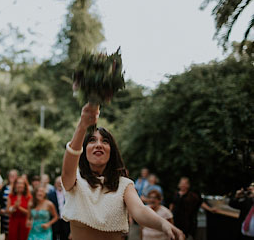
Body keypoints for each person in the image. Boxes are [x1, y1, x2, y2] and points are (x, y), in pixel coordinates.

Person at [59, 103, 183, 240]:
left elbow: (140, 211)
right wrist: (83, 125)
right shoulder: (74, 179)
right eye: (92, 140)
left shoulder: (124, 184)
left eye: (105, 141)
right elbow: (69, 163)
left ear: (112, 152)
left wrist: (163, 224)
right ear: (84, 150)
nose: (99, 144)